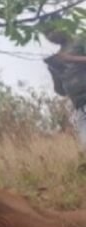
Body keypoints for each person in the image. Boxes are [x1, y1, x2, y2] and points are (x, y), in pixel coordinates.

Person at [41, 22, 86, 169]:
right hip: (79, 106)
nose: (50, 36)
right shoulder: (59, 55)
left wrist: (71, 59)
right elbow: (61, 91)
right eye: (46, 34)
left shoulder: (81, 40)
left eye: (51, 31)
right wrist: (54, 71)